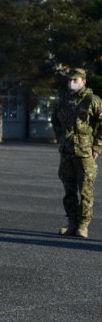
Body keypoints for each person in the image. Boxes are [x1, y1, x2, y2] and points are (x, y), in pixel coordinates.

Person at [51, 68, 102, 238]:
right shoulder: (63, 101)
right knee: (69, 190)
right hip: (67, 152)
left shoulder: (93, 101)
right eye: (69, 80)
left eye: (75, 80)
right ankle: (72, 223)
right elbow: (55, 120)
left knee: (86, 190)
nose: (71, 82)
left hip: (85, 153)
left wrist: (97, 147)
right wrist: (61, 138)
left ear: (83, 81)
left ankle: (83, 225)